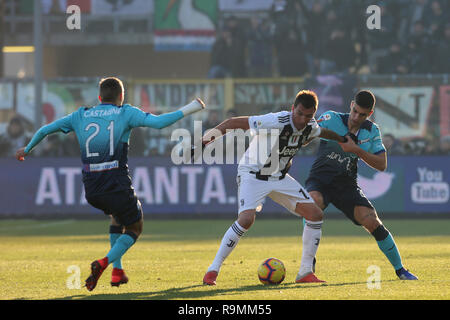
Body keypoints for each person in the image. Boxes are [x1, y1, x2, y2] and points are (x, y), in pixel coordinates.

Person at [15, 77, 205, 291]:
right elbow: (160, 123)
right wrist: (192, 107)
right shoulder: (125, 112)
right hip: (116, 181)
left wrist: (27, 149)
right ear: (121, 97)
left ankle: (117, 272)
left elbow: (44, 130)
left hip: (91, 188)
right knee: (135, 226)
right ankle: (103, 264)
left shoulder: (81, 115)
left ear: (99, 97)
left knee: (117, 217)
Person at [196, 90, 350, 285]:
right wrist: (205, 141)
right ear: (293, 108)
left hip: (278, 177)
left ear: (313, 115)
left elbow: (322, 132)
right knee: (246, 219)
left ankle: (305, 273)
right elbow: (233, 122)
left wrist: (343, 140)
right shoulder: (275, 120)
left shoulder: (310, 126)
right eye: (300, 113)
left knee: (315, 214)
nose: (303, 119)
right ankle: (213, 270)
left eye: (308, 116)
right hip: (252, 174)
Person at [305, 90, 418, 280]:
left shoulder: (372, 131)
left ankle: (401, 270)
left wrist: (356, 149)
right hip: (320, 180)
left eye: (362, 114)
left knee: (372, 221)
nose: (357, 117)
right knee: (313, 203)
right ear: (351, 105)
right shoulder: (331, 118)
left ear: (370, 114)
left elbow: (382, 165)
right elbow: (307, 133)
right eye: (355, 111)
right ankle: (308, 261)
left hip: (346, 184)